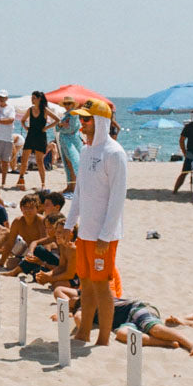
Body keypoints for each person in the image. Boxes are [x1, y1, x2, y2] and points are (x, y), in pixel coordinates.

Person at [65, 99, 127, 345]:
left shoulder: (115, 153)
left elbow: (117, 198)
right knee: (86, 284)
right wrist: (70, 224)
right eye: (81, 118)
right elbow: (79, 191)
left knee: (102, 286)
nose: (82, 123)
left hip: (104, 235)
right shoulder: (86, 150)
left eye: (87, 119)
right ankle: (84, 333)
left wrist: (105, 234)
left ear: (100, 121)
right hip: (85, 233)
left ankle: (103, 338)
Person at [65, 296, 193, 356]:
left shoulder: (91, 296)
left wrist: (76, 310)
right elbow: (80, 321)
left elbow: (79, 319)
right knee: (122, 335)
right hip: (124, 323)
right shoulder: (82, 309)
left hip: (135, 308)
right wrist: (73, 311)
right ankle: (168, 343)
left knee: (154, 328)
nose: (71, 300)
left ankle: (191, 344)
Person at [15, 91, 59, 190]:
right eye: (32, 97)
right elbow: (22, 120)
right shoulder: (30, 110)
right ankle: (21, 180)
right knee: (24, 160)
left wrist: (47, 128)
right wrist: (25, 127)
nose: (32, 99)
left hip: (40, 136)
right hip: (31, 135)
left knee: (39, 161)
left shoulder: (45, 110)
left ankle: (43, 184)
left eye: (34, 97)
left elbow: (57, 120)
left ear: (39, 99)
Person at [54, 96, 82, 194]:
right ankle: (70, 186)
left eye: (69, 103)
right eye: (65, 104)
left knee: (73, 163)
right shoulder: (66, 115)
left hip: (71, 142)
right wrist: (61, 126)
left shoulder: (74, 114)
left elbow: (71, 129)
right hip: (66, 141)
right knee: (67, 164)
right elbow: (57, 128)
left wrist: (61, 126)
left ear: (73, 104)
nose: (67, 105)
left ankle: (73, 187)